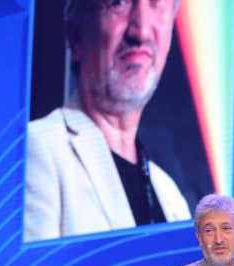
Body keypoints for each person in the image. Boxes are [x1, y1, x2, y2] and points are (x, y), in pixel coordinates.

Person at [24, 0, 190, 242]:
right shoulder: (35, 151)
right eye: (119, 3)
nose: (142, 32)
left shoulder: (171, 197)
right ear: (77, 36)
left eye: (156, 4)